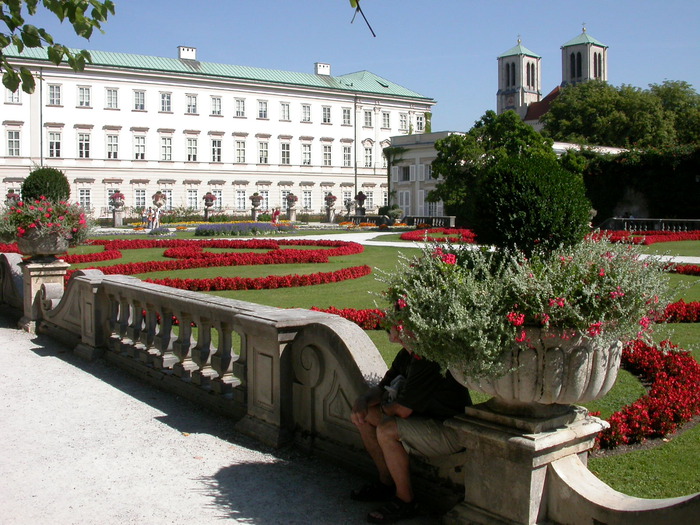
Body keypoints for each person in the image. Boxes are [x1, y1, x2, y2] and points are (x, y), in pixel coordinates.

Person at [351, 326, 471, 523]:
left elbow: (402, 410)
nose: (388, 323)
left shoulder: (428, 359)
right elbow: (382, 389)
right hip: (424, 421)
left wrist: (381, 407)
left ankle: (405, 501)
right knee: (365, 416)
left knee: (387, 429)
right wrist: (362, 401)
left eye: (395, 319)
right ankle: (386, 483)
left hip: (449, 430)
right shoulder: (406, 355)